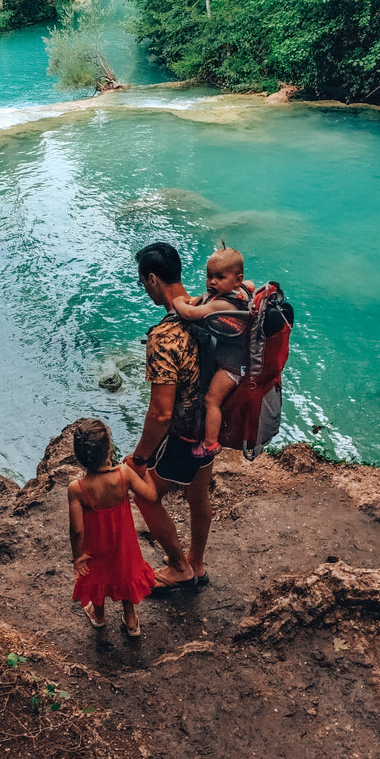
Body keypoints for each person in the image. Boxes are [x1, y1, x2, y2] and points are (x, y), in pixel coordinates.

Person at [126, 242, 213, 591]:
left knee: (145, 495)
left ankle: (180, 568)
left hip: (184, 435)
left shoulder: (164, 337)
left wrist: (140, 457)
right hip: (212, 427)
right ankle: (197, 560)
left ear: (151, 279)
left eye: (141, 283)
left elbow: (161, 412)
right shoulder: (208, 311)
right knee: (198, 492)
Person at [68, 418, 158, 636]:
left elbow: (77, 529)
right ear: (109, 450)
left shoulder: (77, 489)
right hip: (123, 542)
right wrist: (144, 471)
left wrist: (78, 556)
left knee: (98, 576)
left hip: (96, 545)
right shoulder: (124, 474)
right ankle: (131, 620)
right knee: (124, 574)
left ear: (79, 456)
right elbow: (151, 496)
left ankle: (98, 616)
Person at [173, 246, 254, 460]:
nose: (212, 282)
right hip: (242, 360)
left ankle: (210, 443)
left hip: (233, 367)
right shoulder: (244, 291)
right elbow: (251, 284)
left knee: (212, 400)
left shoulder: (220, 304)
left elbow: (190, 313)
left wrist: (178, 301)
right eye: (209, 276)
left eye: (220, 277)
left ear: (237, 280)